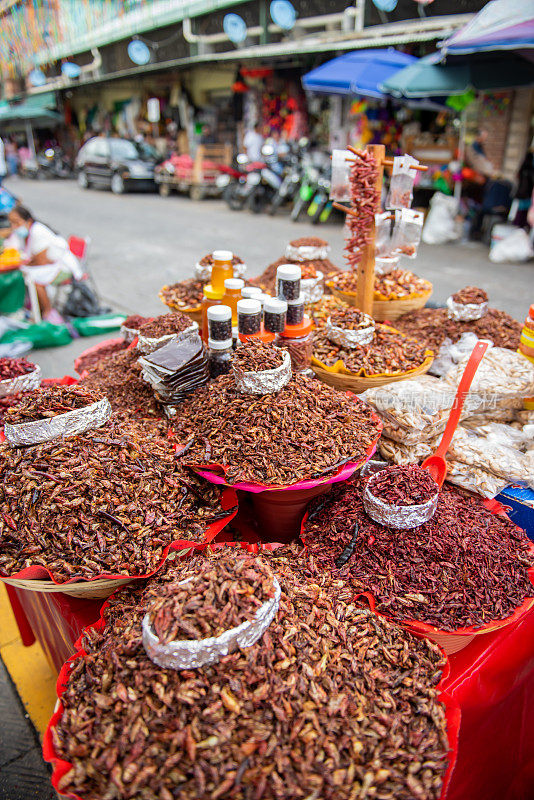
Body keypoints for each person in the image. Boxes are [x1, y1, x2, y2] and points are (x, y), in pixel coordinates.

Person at [8, 205, 82, 322]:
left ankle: (47, 312)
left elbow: (41, 260)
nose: (14, 227)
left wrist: (29, 262)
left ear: (28, 221)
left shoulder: (38, 232)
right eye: (11, 223)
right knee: (26, 276)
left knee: (35, 281)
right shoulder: (26, 234)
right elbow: (34, 259)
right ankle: (35, 310)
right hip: (48, 266)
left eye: (17, 222)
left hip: (63, 267)